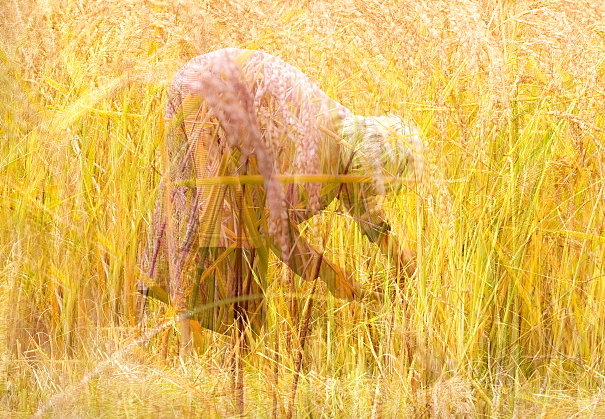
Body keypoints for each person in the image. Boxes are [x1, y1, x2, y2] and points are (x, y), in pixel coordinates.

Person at [139, 48, 422, 349]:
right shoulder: (321, 157)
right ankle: (198, 355)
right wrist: (324, 271)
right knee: (219, 225)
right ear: (373, 168)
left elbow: (363, 204)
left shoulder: (350, 137)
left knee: (201, 209)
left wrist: (401, 260)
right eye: (382, 185)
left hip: (198, 80)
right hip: (210, 95)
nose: (378, 193)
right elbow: (272, 228)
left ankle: (211, 353)